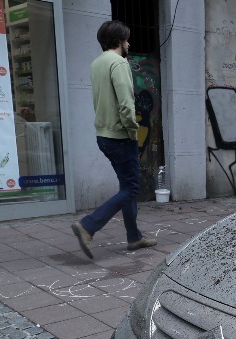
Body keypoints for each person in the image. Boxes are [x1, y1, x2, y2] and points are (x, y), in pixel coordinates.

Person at [71, 20, 156, 259]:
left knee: (126, 186)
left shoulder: (97, 63)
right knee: (131, 189)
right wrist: (132, 131)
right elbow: (126, 104)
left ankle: (134, 237)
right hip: (120, 136)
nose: (129, 43)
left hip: (104, 136)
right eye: (127, 39)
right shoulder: (118, 63)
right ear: (119, 41)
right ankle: (88, 226)